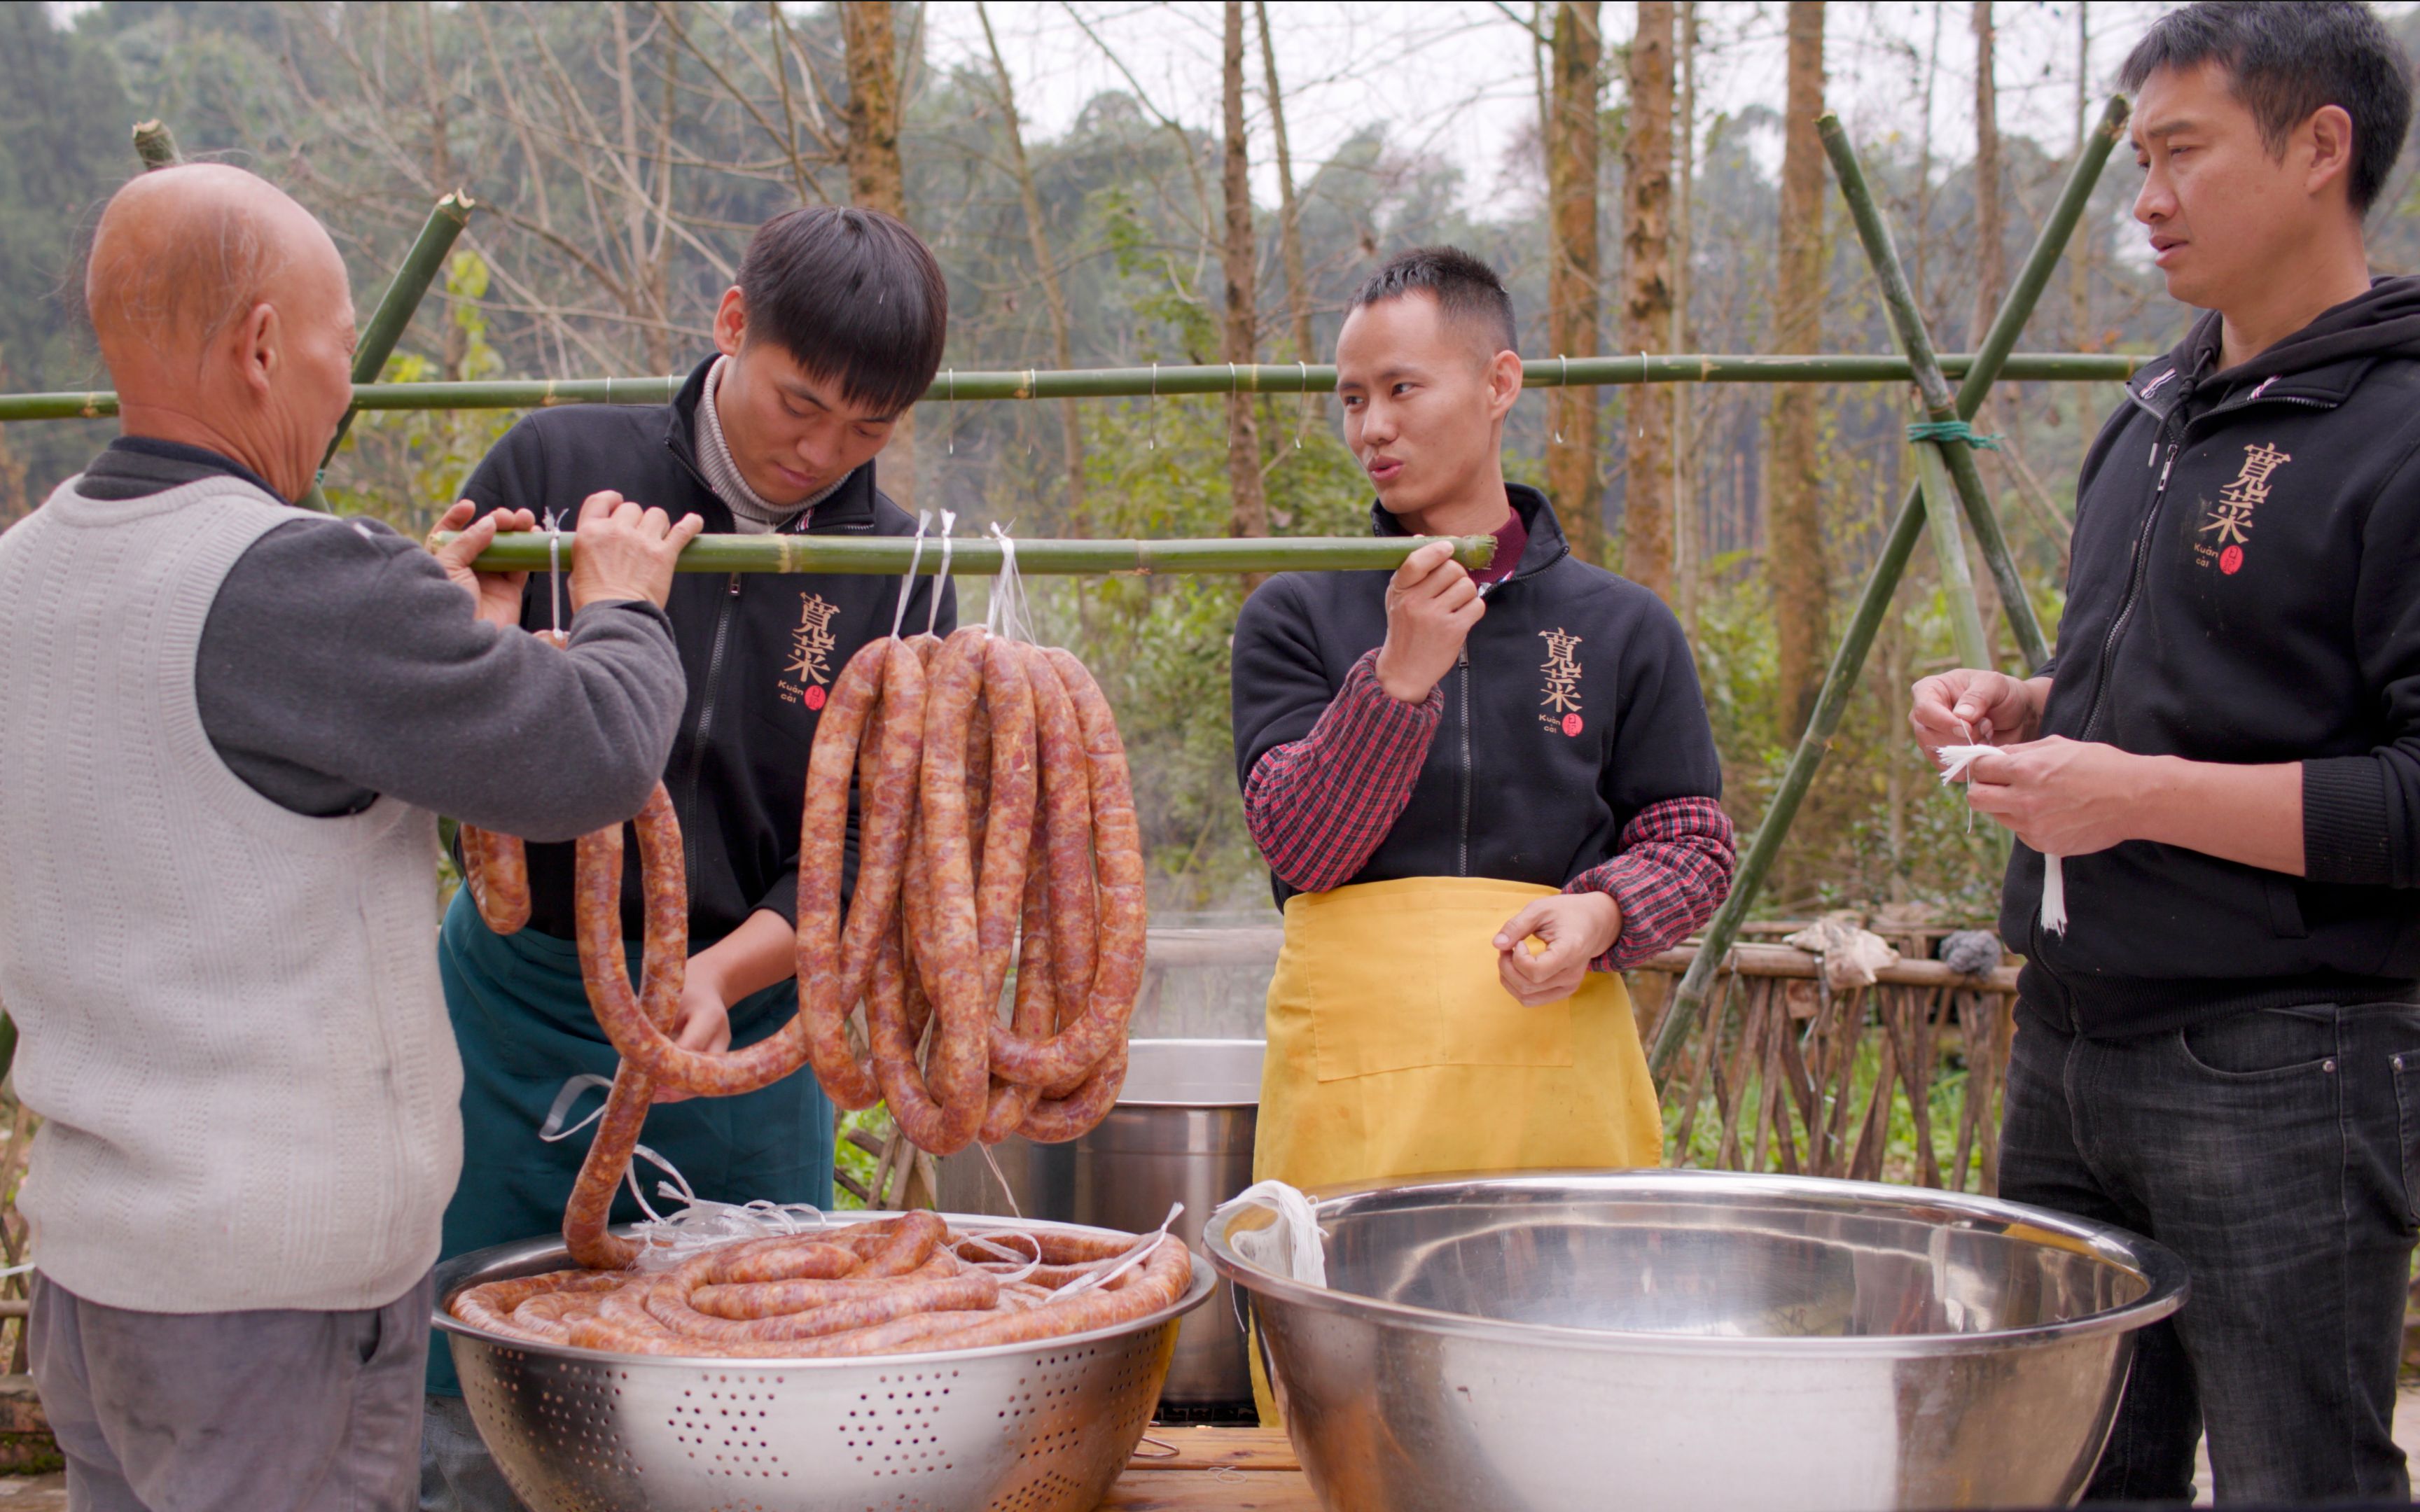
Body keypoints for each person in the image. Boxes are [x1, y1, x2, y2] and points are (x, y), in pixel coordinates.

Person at [0, 164, 697, 1512]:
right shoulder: (297, 575)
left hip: (101, 1286)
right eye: (334, 344)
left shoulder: (25, 574)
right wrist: (625, 605)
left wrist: (432, 629)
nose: (347, 383)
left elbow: (216, 771)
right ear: (263, 346)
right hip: (271, 1312)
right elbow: (594, 753)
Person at [1907, 4, 2420, 1500]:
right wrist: (2035, 700)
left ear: (2322, 147)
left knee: (2294, 1483)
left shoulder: (2399, 427)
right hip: (2071, 1040)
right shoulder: (2154, 411)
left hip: (2285, 1057)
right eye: (2140, 156)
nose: (2145, 199)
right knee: (2068, 1471)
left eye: (2182, 152)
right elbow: (2222, 680)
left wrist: (2128, 796)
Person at [421, 205, 954, 1509]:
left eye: (868, 429)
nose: (821, 453)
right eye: (802, 404)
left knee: (754, 1397)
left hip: (752, 1034)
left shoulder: (904, 571)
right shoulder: (556, 463)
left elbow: (863, 856)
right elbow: (440, 712)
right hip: (520, 1004)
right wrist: (478, 625)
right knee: (474, 1388)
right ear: (731, 326)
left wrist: (717, 976)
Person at [1228, 246, 1734, 1275]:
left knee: (1562, 1376)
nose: (1372, 428)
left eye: (1402, 389)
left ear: (1500, 383)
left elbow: (1693, 842)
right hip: (1355, 1079)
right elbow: (1299, 845)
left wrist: (1603, 916)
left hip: (1554, 1063)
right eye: (1352, 399)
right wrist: (1396, 683)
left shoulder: (1620, 623)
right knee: (1350, 1379)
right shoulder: (1298, 612)